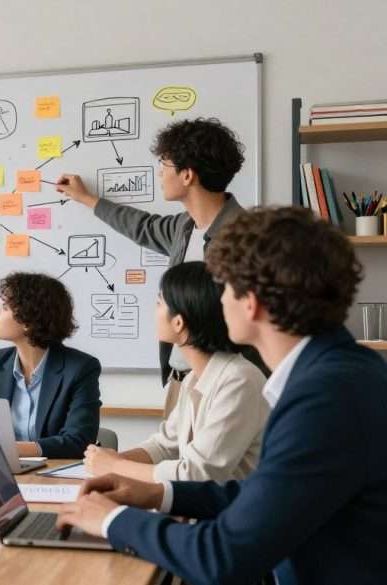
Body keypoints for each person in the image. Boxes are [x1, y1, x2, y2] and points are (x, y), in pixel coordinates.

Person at [57, 207, 387, 585]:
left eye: (225, 287)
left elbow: (223, 557)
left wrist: (111, 520)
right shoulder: (340, 371)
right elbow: (268, 495)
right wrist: (157, 495)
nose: (218, 300)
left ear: (252, 302)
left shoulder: (325, 397)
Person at [56, 118, 259, 385]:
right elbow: (140, 226)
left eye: (164, 164)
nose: (160, 173)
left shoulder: (248, 238)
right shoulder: (183, 228)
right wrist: (86, 198)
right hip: (180, 380)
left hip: (224, 384)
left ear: (187, 175)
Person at [83, 261, 268, 483]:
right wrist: (112, 460)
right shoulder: (193, 377)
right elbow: (163, 446)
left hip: (230, 512)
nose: (154, 311)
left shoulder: (239, 380)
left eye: (159, 303)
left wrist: (115, 466)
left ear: (178, 322)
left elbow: (197, 474)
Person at [0, 272, 100, 458]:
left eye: (4, 307)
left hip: (53, 478)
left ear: (27, 320)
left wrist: (11, 450)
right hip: (1, 469)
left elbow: (78, 441)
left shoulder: (80, 368)